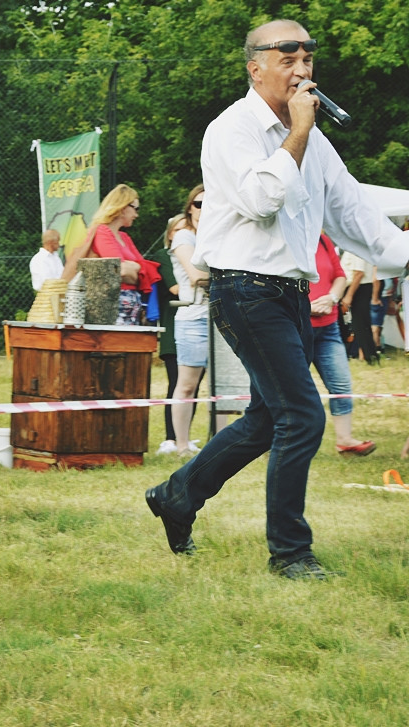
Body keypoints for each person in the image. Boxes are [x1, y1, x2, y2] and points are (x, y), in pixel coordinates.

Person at [145, 19, 409, 580]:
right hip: (244, 287)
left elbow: (356, 218)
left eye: (307, 58)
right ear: (254, 66)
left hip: (292, 292)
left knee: (269, 419)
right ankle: (290, 553)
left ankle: (176, 494)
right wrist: (297, 133)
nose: (301, 69)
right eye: (286, 57)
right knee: (302, 415)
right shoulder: (231, 129)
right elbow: (261, 199)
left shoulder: (315, 142)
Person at [310, 234, 375, 456]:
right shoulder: (285, 239)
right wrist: (302, 307)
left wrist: (331, 298)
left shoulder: (323, 240)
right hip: (295, 327)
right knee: (292, 390)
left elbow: (339, 275)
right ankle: (274, 441)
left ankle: (345, 441)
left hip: (328, 326)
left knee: (341, 385)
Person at [77, 184, 161, 326]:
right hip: (112, 305)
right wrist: (137, 270)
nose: (136, 215)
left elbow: (144, 270)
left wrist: (133, 269)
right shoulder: (102, 232)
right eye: (136, 209)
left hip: (131, 305)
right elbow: (120, 270)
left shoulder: (124, 237)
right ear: (122, 208)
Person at [169, 185, 209, 456]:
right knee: (186, 384)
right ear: (190, 207)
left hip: (222, 317)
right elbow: (196, 276)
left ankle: (220, 443)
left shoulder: (220, 236)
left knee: (223, 386)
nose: (203, 210)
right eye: (198, 204)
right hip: (194, 317)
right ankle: (181, 445)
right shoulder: (184, 236)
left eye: (209, 204)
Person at [149, 214, 184, 455]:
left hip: (195, 328)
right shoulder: (163, 256)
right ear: (170, 234)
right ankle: (170, 439)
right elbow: (176, 289)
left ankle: (184, 438)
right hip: (173, 330)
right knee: (176, 384)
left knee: (192, 387)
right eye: (179, 230)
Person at [339, 251, 378, 363]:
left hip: (359, 288)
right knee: (361, 324)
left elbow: (359, 273)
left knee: (360, 324)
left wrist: (349, 295)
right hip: (358, 287)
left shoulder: (356, 249)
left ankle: (370, 357)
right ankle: (370, 356)